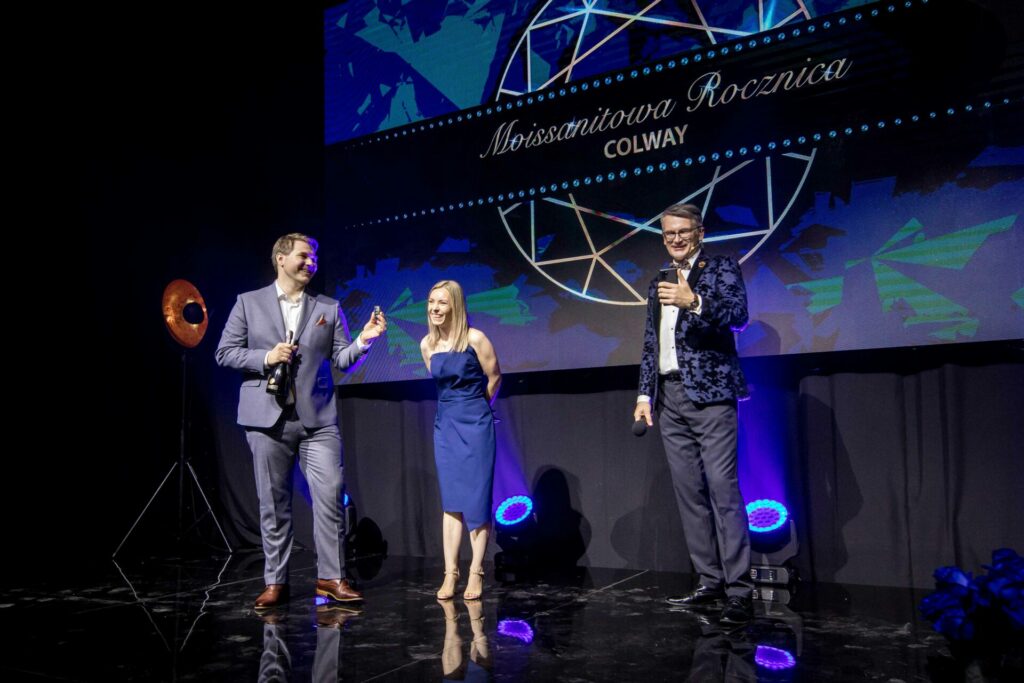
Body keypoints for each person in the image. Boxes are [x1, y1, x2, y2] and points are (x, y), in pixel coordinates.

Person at [216, 232, 386, 609]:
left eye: (314, 258)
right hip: (266, 419)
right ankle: (275, 581)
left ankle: (331, 578)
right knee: (273, 502)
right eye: (304, 256)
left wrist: (364, 341)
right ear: (281, 258)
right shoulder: (248, 303)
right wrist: (266, 357)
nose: (311, 263)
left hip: (317, 420)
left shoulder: (328, 307)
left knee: (330, 494)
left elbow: (341, 360)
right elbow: (224, 353)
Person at [633, 203, 754, 626]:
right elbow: (651, 342)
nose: (677, 239)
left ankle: (739, 590)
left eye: (684, 232)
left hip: (712, 396)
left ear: (700, 232)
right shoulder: (658, 281)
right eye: (669, 234)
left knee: (723, 489)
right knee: (689, 493)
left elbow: (739, 317)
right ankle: (709, 581)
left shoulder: (721, 268)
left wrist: (695, 301)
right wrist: (644, 394)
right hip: (669, 397)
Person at [419, 280, 501, 601]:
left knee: (477, 500)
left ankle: (476, 571)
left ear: (455, 305)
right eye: (431, 302)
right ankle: (450, 573)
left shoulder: (475, 339)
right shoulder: (427, 344)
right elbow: (441, 384)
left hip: (476, 424)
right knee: (451, 502)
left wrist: (478, 408)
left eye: (442, 302)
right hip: (446, 426)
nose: (435, 308)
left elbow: (494, 377)